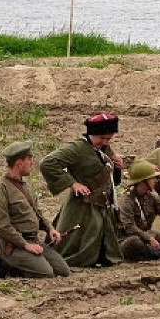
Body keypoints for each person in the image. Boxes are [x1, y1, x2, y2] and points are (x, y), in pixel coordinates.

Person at [40, 113, 124, 268]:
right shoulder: (77, 148)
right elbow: (48, 163)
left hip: (101, 205)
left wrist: (118, 167)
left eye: (108, 138)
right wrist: (73, 184)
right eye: (101, 138)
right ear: (92, 133)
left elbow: (110, 179)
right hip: (81, 207)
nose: (104, 142)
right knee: (73, 245)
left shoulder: (104, 149)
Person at [0, 141, 71, 279]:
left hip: (33, 240)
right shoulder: (0, 188)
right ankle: (4, 264)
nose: (32, 163)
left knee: (63, 271)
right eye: (29, 159)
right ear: (19, 163)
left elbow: (37, 213)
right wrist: (25, 245)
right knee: (46, 273)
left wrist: (50, 229)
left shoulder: (24, 185)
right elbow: (0, 226)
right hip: (13, 245)